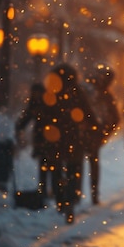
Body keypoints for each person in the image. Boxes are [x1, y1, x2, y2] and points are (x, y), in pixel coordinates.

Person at [44, 63, 100, 224]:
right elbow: (88, 112)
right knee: (73, 171)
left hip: (54, 138)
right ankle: (70, 201)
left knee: (56, 170)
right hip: (73, 138)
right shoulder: (77, 92)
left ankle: (60, 200)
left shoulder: (52, 92)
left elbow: (44, 115)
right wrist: (94, 127)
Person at [81, 65, 120, 204]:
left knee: (77, 163)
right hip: (92, 133)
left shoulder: (85, 90)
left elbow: (115, 119)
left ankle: (74, 195)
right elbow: (115, 118)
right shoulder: (104, 95)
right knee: (92, 162)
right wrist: (104, 132)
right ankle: (92, 194)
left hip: (83, 132)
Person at [16, 82, 54, 197]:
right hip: (41, 138)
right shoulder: (34, 104)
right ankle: (44, 189)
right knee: (43, 165)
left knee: (53, 166)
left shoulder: (48, 102)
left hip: (51, 138)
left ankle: (55, 190)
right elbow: (26, 117)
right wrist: (19, 126)